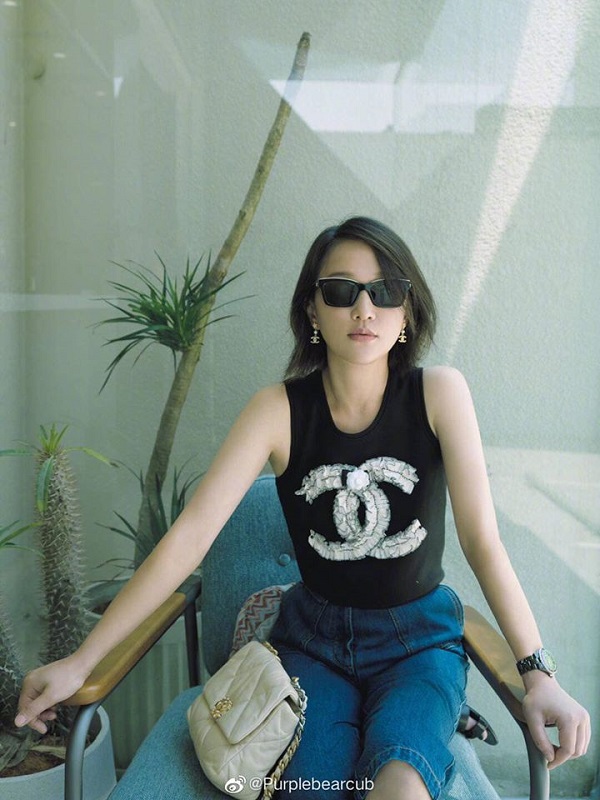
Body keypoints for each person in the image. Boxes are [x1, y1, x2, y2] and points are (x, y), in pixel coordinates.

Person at [16, 217, 590, 799]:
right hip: (314, 646)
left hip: (419, 644)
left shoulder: (439, 394)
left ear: (407, 311)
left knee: (401, 783)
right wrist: (81, 661)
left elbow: (483, 543)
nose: (364, 309)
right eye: (341, 291)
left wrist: (538, 674)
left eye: (385, 291)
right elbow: (189, 539)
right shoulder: (277, 410)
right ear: (312, 310)